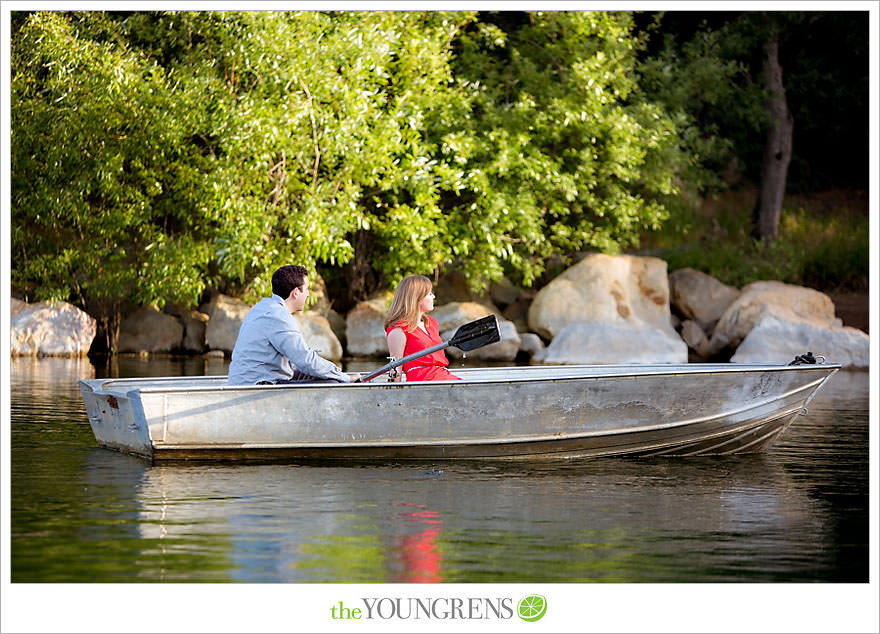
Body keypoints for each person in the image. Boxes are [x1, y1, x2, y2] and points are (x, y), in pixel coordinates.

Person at [228, 265, 360, 385]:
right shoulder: (279, 317)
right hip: (258, 385)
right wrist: (345, 378)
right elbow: (305, 359)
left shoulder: (261, 307)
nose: (308, 294)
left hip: (249, 379)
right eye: (307, 289)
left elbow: (298, 360)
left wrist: (330, 369)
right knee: (331, 382)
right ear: (296, 293)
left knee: (325, 374)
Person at [384, 275, 461, 382]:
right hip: (423, 382)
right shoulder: (399, 330)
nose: (433, 297)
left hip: (444, 376)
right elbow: (395, 370)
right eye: (429, 294)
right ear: (417, 298)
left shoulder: (431, 323)